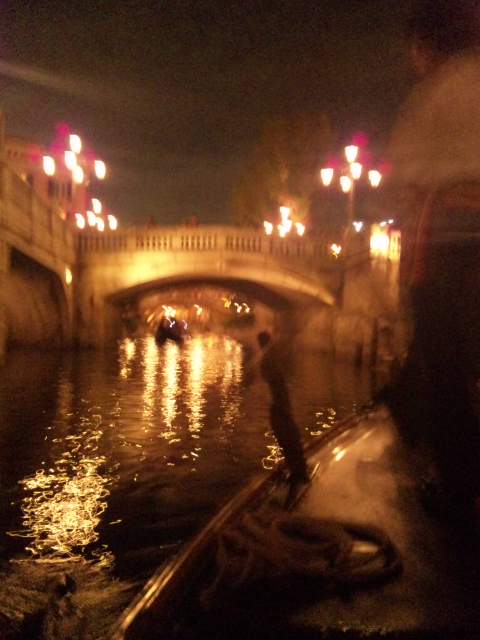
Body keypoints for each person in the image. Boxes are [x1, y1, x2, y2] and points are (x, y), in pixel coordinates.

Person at [386, 0, 480, 522]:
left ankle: (459, 487)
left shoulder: (433, 96)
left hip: (448, 239)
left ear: (426, 46)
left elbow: (406, 174)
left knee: (443, 361)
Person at [257, 331, 309, 484]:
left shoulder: (268, 359)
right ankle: (299, 469)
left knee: (286, 438)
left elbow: (274, 380)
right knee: (289, 437)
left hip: (279, 405)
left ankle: (298, 472)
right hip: (282, 403)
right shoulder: (275, 355)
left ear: (261, 344)